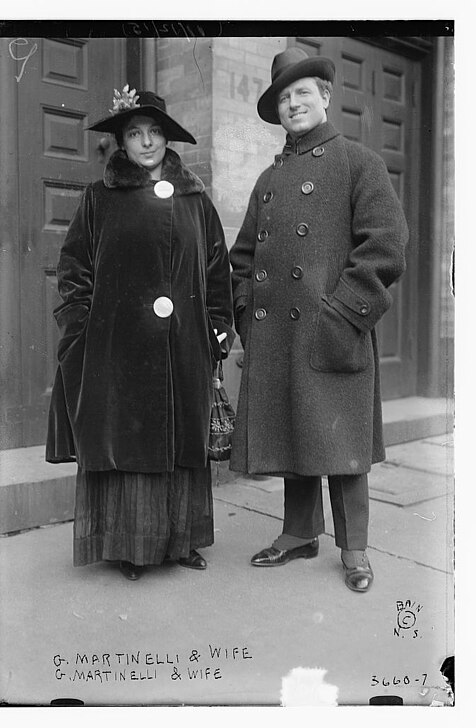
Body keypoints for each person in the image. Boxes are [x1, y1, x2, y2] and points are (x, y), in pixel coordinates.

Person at [229, 48, 408, 592]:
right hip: (280, 335)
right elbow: (240, 260)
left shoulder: (359, 162)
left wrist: (341, 315)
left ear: (325, 96)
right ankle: (298, 534)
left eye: (301, 92)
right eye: (283, 98)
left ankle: (354, 551)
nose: (292, 104)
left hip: (334, 329)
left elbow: (386, 246)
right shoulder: (267, 179)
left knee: (343, 446)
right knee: (294, 435)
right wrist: (247, 318)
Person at [46, 87, 234, 581]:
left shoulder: (196, 199)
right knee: (127, 442)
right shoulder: (99, 198)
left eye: (154, 132)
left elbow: (217, 270)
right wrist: (81, 328)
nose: (146, 142)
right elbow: (74, 269)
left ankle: (184, 540)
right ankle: (129, 546)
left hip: (183, 346)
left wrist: (217, 331)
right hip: (118, 346)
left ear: (167, 137)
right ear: (122, 142)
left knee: (180, 440)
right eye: (135, 133)